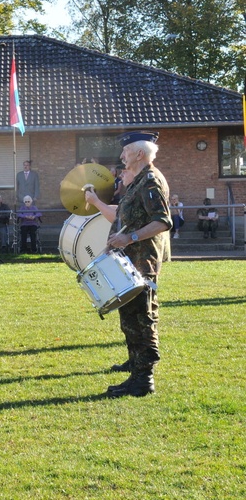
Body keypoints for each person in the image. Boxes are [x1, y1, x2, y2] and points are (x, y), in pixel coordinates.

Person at [84, 131, 171, 397]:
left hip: (142, 261)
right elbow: (128, 219)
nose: (121, 156)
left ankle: (144, 380)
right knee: (130, 316)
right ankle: (136, 372)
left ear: (139, 154)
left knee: (142, 317)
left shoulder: (150, 180)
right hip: (129, 260)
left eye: (125, 151)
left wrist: (129, 237)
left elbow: (162, 221)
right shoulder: (138, 181)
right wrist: (115, 241)